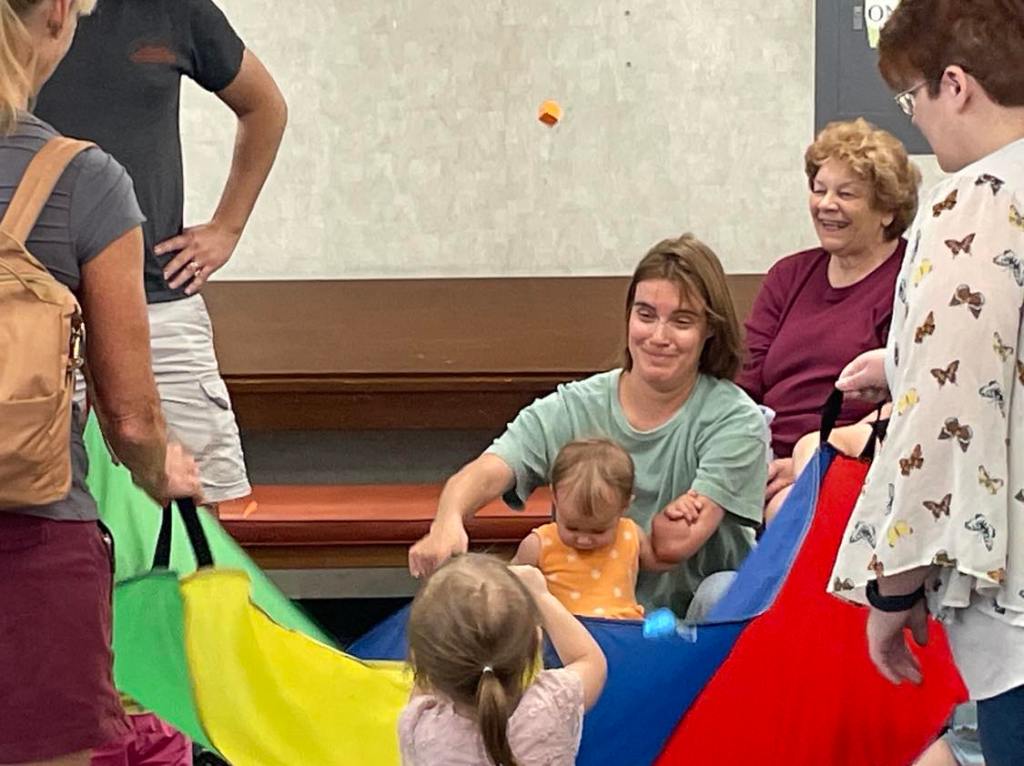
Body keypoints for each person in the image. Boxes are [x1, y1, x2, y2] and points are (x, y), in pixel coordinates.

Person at [0, 1, 201, 764]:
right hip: (34, 548)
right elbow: (133, 418)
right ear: (56, 12)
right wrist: (159, 474)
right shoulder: (84, 181)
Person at [828, 1, 1024, 763]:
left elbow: (949, 415)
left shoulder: (978, 200)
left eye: (912, 99)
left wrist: (895, 584)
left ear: (956, 84)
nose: (918, 121)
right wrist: (901, 361)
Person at [409, 233, 768, 619]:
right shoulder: (575, 406)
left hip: (694, 626)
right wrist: (449, 518)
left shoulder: (737, 420)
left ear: (709, 329)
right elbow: (491, 467)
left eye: (681, 321)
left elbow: (671, 548)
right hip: (580, 626)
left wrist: (668, 529)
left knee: (722, 591)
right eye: (646, 315)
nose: (658, 337)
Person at [34, 0, 288, 509]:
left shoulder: (174, 8)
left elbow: (265, 106)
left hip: (158, 304)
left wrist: (227, 228)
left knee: (195, 512)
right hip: (30, 309)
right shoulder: (17, 15)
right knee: (39, 515)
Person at [737, 117, 920, 521]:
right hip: (763, 462)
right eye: (819, 190)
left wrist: (811, 463)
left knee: (786, 514)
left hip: (858, 465)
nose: (825, 204)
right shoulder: (788, 275)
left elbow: (915, 396)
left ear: (887, 209)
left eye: (846, 193)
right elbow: (744, 385)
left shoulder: (913, 277)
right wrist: (743, 461)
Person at [400, 554, 607, 766]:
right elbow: (589, 660)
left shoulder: (420, 728)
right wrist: (541, 594)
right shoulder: (552, 703)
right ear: (536, 640)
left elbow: (425, 676)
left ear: (422, 663)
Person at [511, 438, 676, 619]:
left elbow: (659, 562)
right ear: (555, 497)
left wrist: (673, 530)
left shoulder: (630, 534)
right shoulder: (539, 544)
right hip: (564, 630)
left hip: (622, 628)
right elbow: (509, 584)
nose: (583, 539)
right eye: (572, 528)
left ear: (624, 505)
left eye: (598, 531)